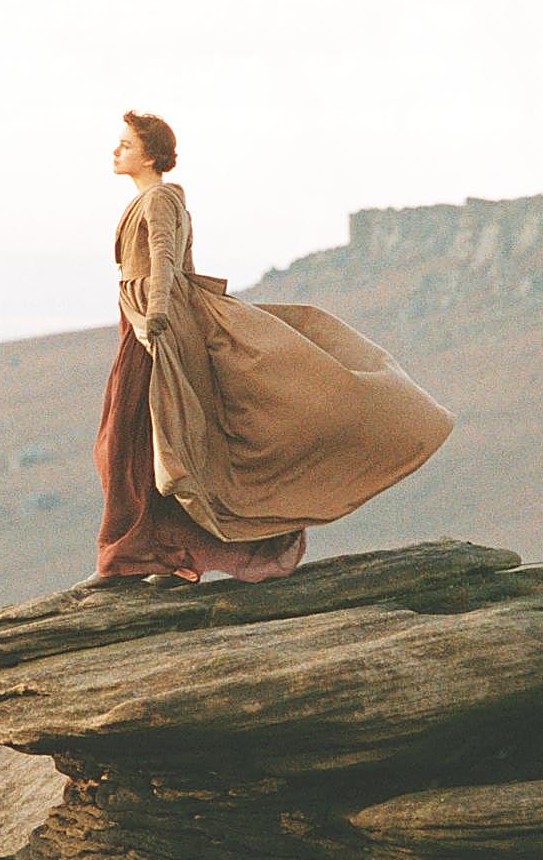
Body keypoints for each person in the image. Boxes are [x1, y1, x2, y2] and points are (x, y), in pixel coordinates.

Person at [71, 110, 454, 595]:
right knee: (135, 443)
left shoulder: (161, 199)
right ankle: (145, 553)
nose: (115, 151)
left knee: (125, 441)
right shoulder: (151, 199)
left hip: (155, 328)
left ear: (148, 155)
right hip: (144, 323)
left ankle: (126, 557)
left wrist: (160, 318)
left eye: (125, 144)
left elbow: (167, 261)